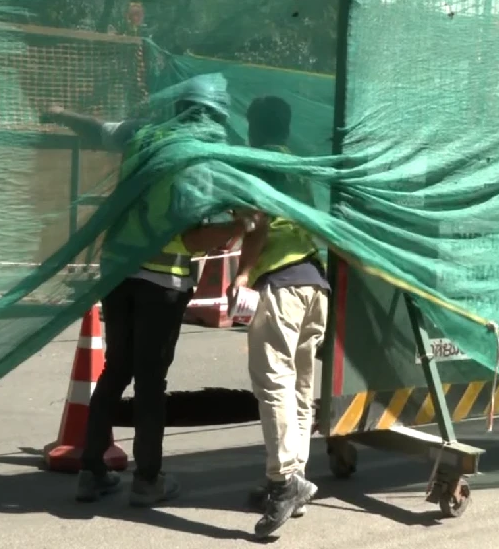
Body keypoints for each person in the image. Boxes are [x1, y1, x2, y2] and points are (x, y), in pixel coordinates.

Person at [45, 74, 254, 507]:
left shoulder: (146, 136)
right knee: (150, 382)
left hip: (120, 271)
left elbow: (98, 128)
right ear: (216, 115)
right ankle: (148, 480)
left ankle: (92, 471)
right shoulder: (201, 158)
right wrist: (242, 226)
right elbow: (195, 238)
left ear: (179, 108)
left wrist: (61, 114)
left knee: (115, 369)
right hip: (163, 281)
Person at [232, 95, 330, 539]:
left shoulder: (258, 163)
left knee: (274, 383)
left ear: (254, 127)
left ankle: (283, 482)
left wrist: (243, 277)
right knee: (301, 387)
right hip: (315, 284)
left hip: (283, 285)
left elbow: (259, 226)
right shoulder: (297, 164)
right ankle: (299, 480)